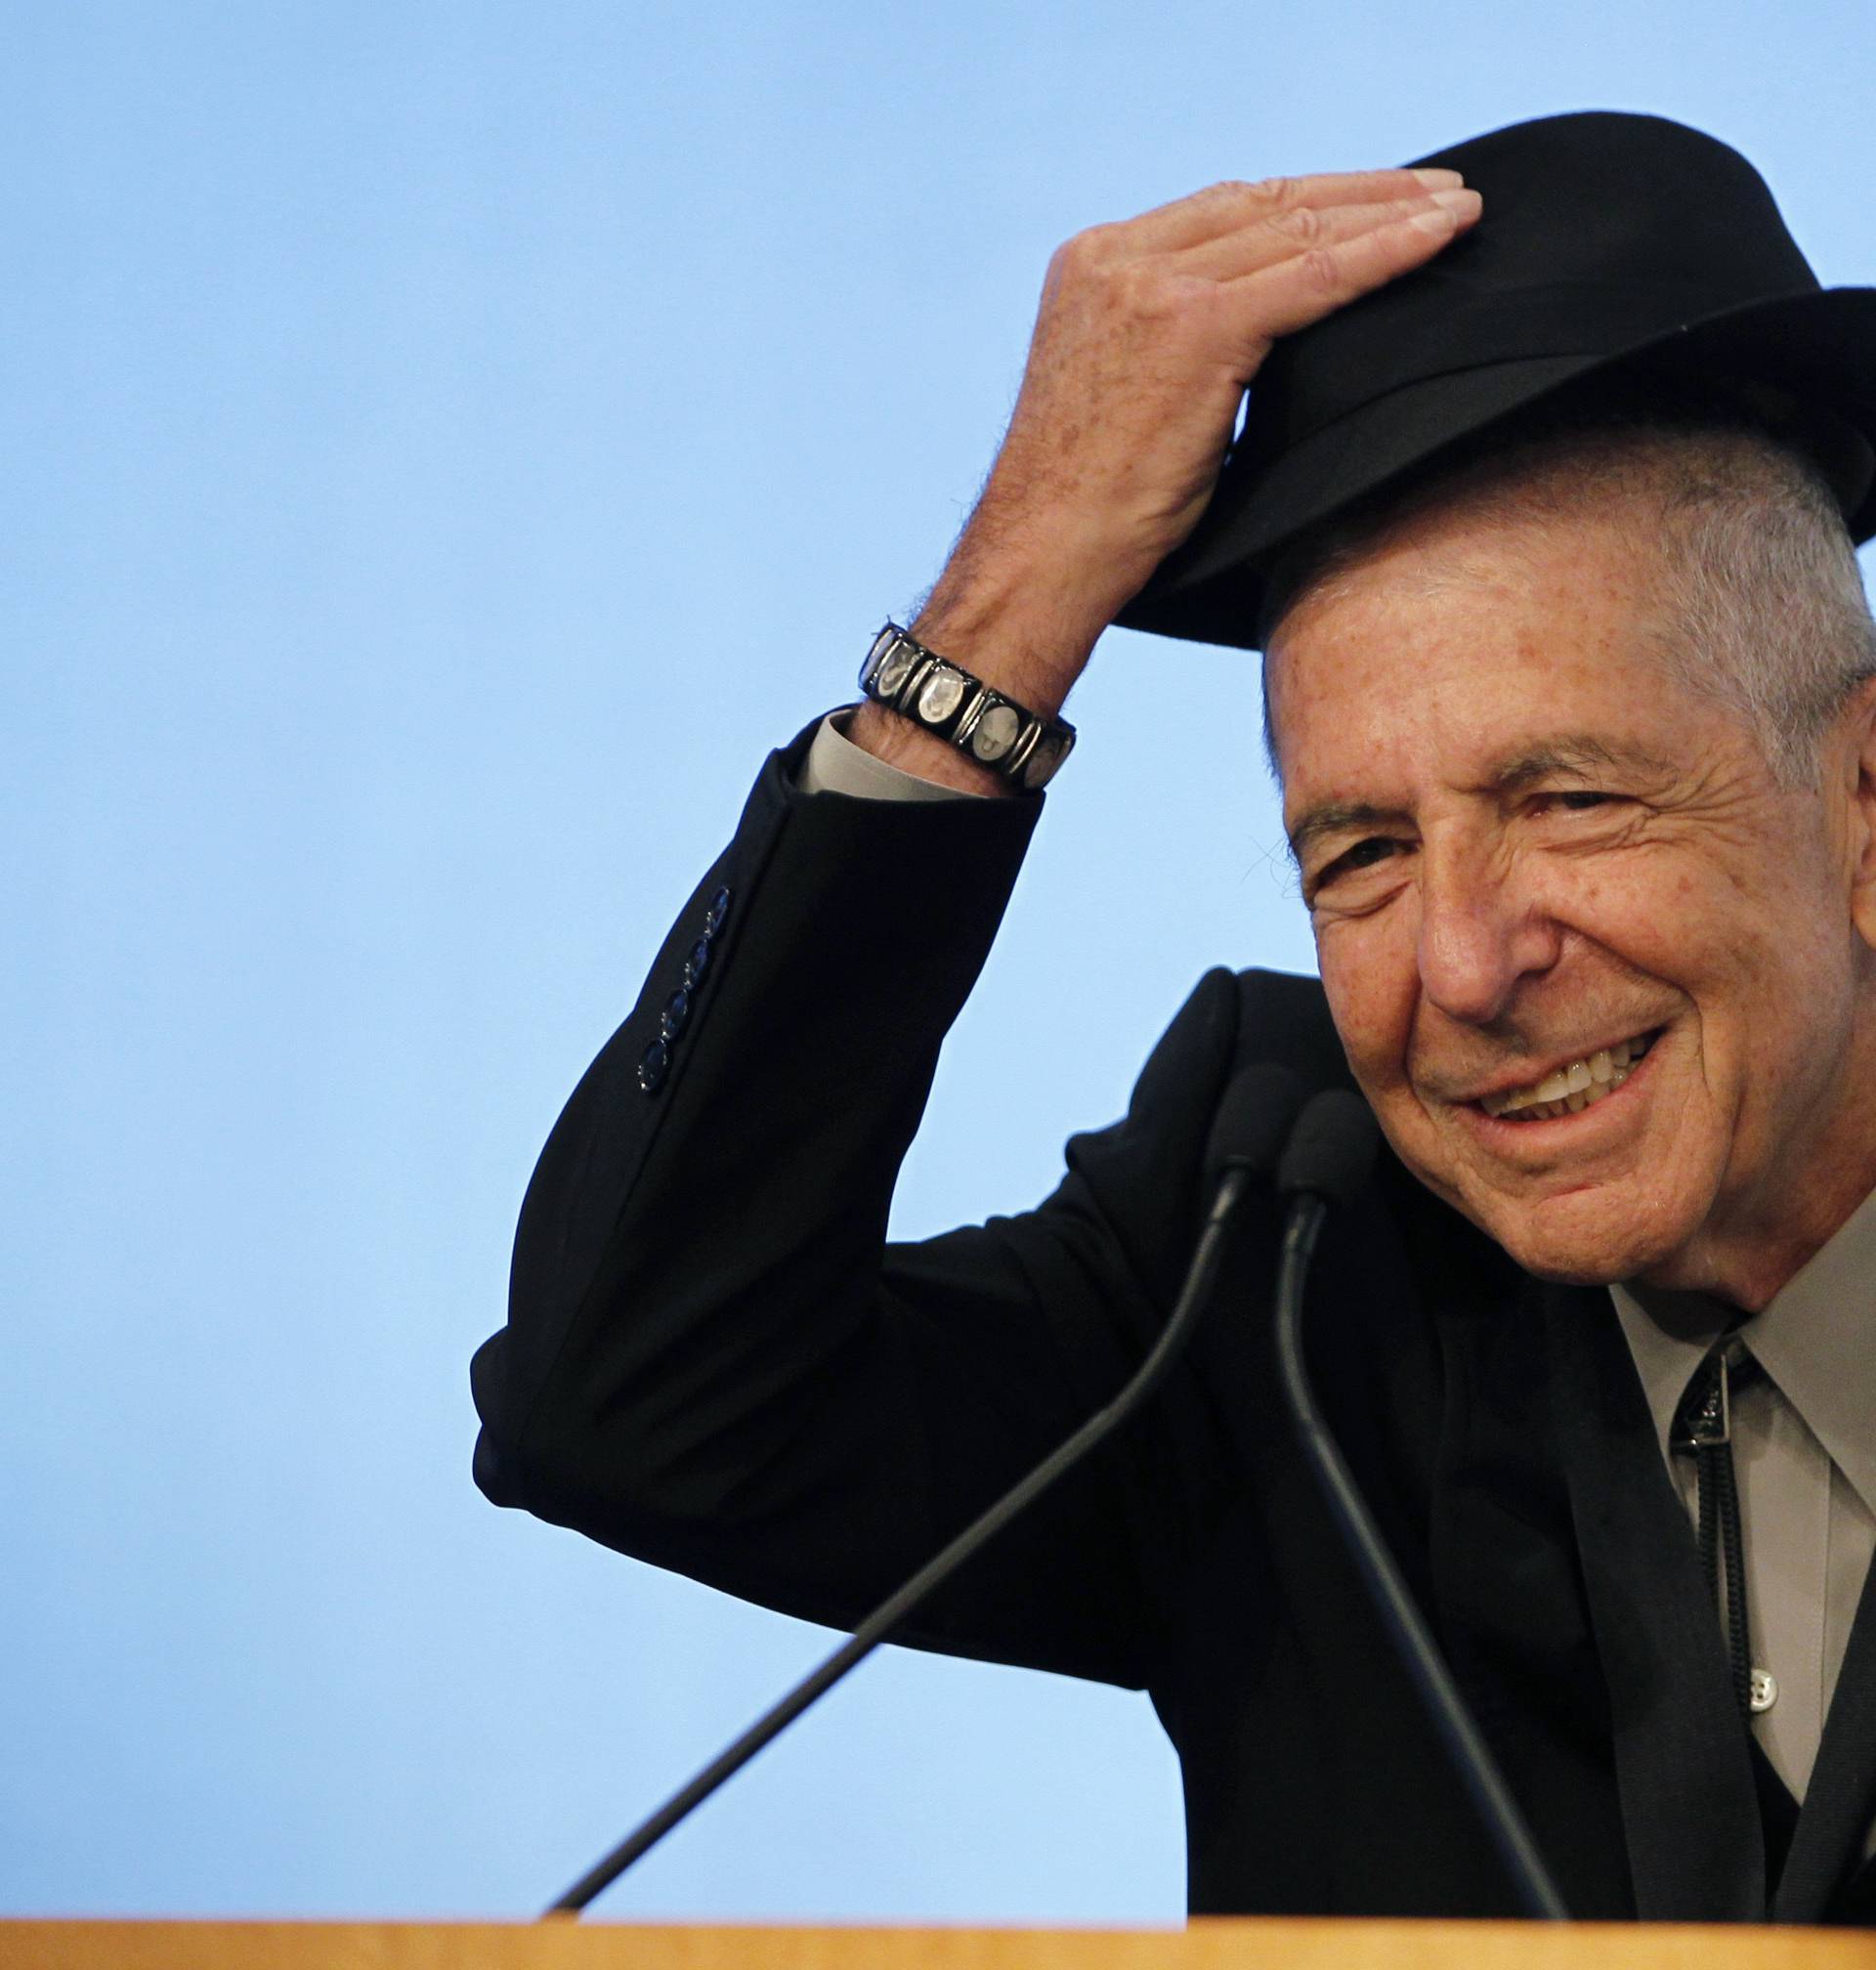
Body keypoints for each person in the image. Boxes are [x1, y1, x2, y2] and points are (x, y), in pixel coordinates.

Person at [469, 109, 1876, 1922]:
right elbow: (628, 1406)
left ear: (1858, 804)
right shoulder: (1271, 1250)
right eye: (1360, 848)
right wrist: (994, 629)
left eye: (1569, 799)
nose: (1461, 964)